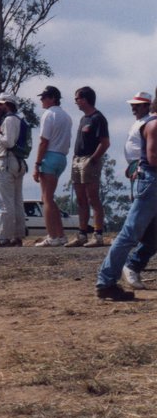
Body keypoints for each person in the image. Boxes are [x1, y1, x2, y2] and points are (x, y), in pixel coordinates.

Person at [95, 108, 157, 301]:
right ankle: (106, 282)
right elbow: (153, 157)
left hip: (150, 183)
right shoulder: (154, 125)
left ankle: (122, 272)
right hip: (152, 183)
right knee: (129, 234)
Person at [121, 92, 157, 290]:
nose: (134, 108)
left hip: (145, 173)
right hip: (144, 173)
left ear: (148, 106)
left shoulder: (147, 122)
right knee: (143, 228)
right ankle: (131, 265)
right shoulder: (145, 123)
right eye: (133, 104)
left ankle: (130, 266)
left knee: (144, 229)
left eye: (138, 105)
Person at [66, 86, 110, 247]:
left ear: (85, 99)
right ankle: (82, 234)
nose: (75, 102)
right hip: (77, 160)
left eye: (77, 98)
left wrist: (93, 159)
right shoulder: (83, 119)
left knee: (93, 198)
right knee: (81, 199)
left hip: (89, 160)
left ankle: (98, 235)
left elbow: (105, 143)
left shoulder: (98, 118)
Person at [32, 86, 73, 247]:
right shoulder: (67, 116)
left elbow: (44, 141)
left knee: (46, 198)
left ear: (53, 98)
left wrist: (37, 163)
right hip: (61, 157)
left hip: (49, 156)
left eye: (44, 97)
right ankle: (60, 235)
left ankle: (52, 236)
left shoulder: (49, 115)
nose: (42, 100)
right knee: (50, 197)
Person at [0, 94, 28, 248]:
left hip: (6, 161)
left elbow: (8, 142)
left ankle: (4, 237)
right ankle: (17, 236)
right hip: (18, 162)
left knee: (5, 202)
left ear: (7, 104)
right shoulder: (19, 120)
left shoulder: (9, 120)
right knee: (17, 202)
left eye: (0, 105)